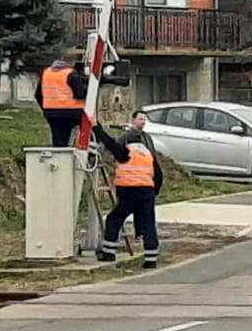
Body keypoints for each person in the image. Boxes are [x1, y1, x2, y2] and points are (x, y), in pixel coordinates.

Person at [95, 111, 164, 269]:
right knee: (148, 226)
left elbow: (109, 143)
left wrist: (96, 128)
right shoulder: (148, 154)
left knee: (114, 219)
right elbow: (159, 174)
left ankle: (109, 253)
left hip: (129, 193)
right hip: (147, 193)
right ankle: (151, 259)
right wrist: (154, 193)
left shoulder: (126, 153)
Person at [35, 59, 89, 146]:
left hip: (51, 113)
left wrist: (45, 107)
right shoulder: (71, 74)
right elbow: (80, 94)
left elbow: (38, 95)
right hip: (73, 112)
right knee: (94, 129)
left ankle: (60, 157)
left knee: (59, 142)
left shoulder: (46, 73)